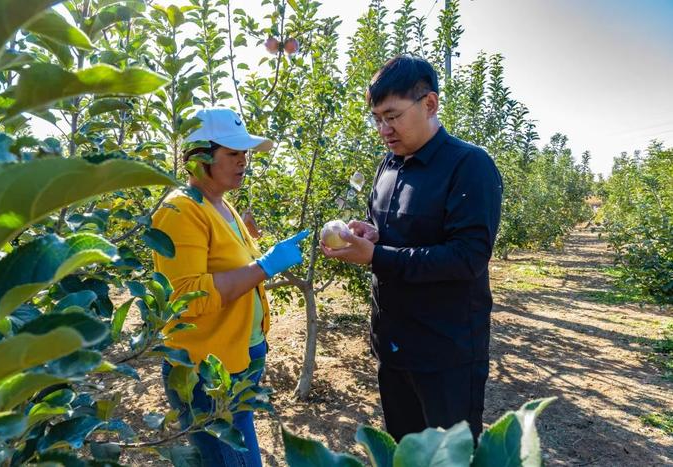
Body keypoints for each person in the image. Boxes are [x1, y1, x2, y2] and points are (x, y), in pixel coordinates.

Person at [321, 56, 503, 443]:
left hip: (446, 355)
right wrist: (371, 234)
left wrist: (376, 256)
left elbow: (467, 257)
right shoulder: (389, 166)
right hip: (393, 346)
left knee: (447, 456)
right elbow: (395, 234)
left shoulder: (469, 165)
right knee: (405, 451)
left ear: (430, 104)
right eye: (376, 119)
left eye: (392, 116)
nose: (383, 129)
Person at [152, 107, 309, 466]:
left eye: (245, 153)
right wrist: (265, 265)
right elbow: (184, 296)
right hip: (206, 371)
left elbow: (230, 266)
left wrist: (258, 250)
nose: (244, 161)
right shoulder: (181, 211)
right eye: (233, 153)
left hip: (240, 358)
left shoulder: (221, 205)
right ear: (199, 158)